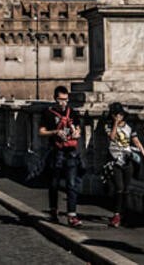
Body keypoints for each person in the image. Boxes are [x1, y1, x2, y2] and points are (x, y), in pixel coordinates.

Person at [39, 85, 83, 227]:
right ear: (55, 99)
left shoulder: (73, 113)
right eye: (60, 100)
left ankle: (72, 215)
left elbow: (78, 129)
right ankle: (53, 211)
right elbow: (41, 132)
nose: (63, 103)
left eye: (65, 100)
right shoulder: (48, 113)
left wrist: (77, 133)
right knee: (54, 183)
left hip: (70, 151)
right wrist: (55, 133)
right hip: (55, 151)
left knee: (71, 183)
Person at [104, 102, 144, 228]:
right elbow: (112, 137)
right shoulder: (108, 125)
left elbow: (137, 142)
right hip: (114, 160)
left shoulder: (129, 127)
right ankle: (116, 214)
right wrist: (115, 123)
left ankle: (122, 214)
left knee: (126, 189)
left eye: (120, 114)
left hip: (127, 159)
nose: (119, 117)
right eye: (116, 115)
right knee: (119, 188)